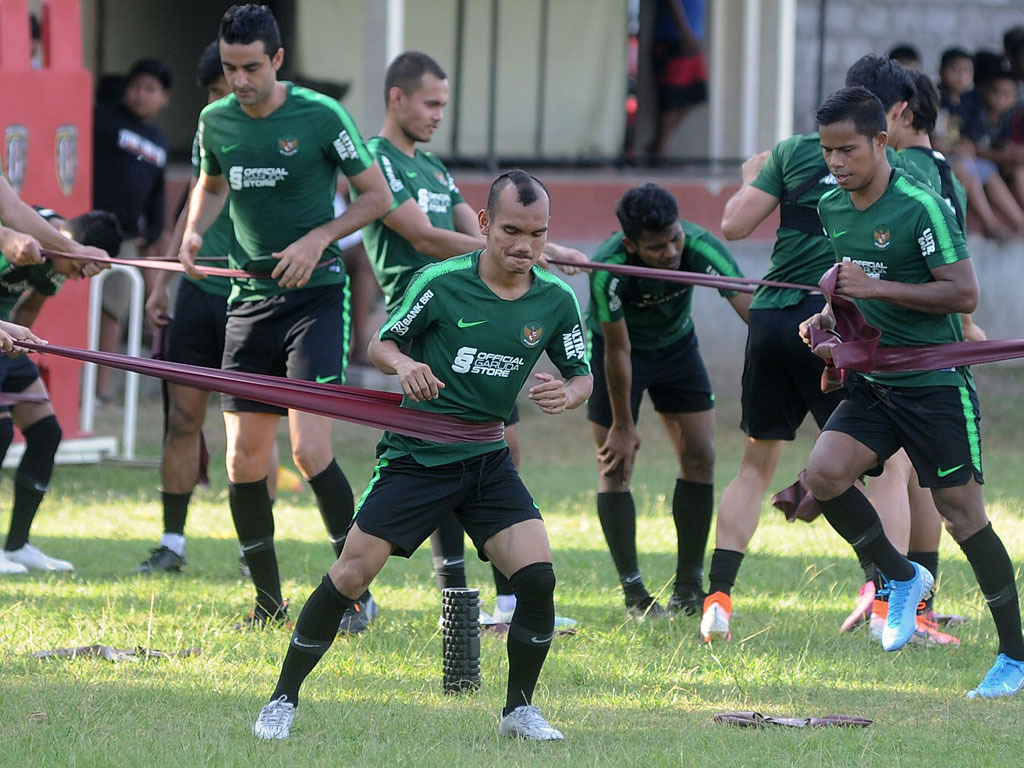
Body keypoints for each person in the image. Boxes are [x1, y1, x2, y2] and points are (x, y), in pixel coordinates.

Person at [252, 170, 592, 741]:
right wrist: (406, 366)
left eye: (537, 235)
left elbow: (582, 376)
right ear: (484, 224)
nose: (524, 247)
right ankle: (280, 701)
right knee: (352, 575)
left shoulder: (555, 300)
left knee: (537, 577)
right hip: (417, 457)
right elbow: (379, 343)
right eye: (511, 230)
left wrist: (569, 392)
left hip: (486, 460)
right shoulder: (441, 282)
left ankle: (519, 711)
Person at [802, 85, 1024, 698]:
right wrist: (829, 316)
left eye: (847, 149)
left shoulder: (919, 204)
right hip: (876, 382)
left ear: (880, 141)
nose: (836, 163)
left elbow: (962, 294)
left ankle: (1014, 656)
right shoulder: (832, 205)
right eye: (826, 152)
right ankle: (901, 578)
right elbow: (850, 285)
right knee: (823, 476)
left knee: (963, 516)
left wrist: (878, 293)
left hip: (934, 386)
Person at [359, 51, 587, 631]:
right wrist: (517, 253)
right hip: (435, 320)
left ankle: (504, 599)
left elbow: (475, 224)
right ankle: (459, 598)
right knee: (450, 454)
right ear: (397, 98)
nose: (439, 115)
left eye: (444, 104)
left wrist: (545, 253)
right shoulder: (376, 157)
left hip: (495, 313)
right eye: (430, 103)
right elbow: (430, 239)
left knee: (494, 455)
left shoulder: (434, 167)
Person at [179, 4, 392, 627]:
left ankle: (355, 593)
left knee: (308, 451)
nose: (239, 81)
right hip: (248, 301)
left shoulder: (322, 117)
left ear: (277, 60)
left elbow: (376, 197)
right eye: (228, 67)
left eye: (251, 68)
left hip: (316, 299)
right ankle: (268, 603)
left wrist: (319, 238)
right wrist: (194, 233)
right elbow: (211, 184)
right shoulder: (215, 120)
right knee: (243, 461)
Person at [135, 41, 281, 574]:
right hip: (199, 293)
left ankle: (254, 552)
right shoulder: (212, 127)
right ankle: (171, 544)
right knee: (182, 420)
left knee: (254, 432)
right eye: (220, 88)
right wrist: (162, 284)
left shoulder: (278, 133)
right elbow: (195, 201)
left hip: (255, 295)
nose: (232, 95)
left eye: (241, 80)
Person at [843, 57, 970, 646]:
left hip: (917, 356)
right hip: (889, 354)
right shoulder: (920, 168)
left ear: (895, 114)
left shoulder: (918, 178)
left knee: (911, 478)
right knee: (896, 475)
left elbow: (950, 274)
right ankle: (903, 603)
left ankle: (901, 604)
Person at [703, 129, 845, 642]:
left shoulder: (790, 151)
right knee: (885, 463)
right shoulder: (886, 159)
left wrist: (750, 180)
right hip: (827, 322)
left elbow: (734, 223)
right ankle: (884, 605)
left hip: (769, 318)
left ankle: (717, 598)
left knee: (753, 466)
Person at [587, 183, 748, 620]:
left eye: (675, 238)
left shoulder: (699, 247)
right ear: (630, 244)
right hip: (616, 352)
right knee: (615, 466)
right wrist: (623, 425)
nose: (671, 252)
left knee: (701, 456)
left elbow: (750, 305)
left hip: (677, 347)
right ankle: (635, 595)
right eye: (656, 247)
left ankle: (688, 587)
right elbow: (618, 352)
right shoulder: (609, 269)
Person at [0, 211, 118, 574]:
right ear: (68, 241)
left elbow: (25, 322)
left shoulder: (54, 265)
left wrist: (47, 280)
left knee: (46, 432)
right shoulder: (20, 243)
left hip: (5, 337)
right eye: (82, 266)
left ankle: (17, 546)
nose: (82, 275)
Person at [92, 57, 173, 401]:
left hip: (123, 238)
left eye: (150, 89)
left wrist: (154, 230)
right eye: (136, 86)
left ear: (164, 98)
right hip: (86, 227)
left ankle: (100, 391)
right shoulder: (104, 119)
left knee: (113, 311)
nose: (141, 95)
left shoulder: (160, 142)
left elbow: (157, 191)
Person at [934, 48, 1024, 240]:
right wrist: (961, 147)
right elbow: (941, 141)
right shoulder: (938, 99)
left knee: (987, 170)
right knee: (969, 167)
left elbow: (972, 139)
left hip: (965, 158)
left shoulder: (970, 100)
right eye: (955, 70)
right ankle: (984, 223)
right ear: (941, 71)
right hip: (942, 160)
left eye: (966, 71)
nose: (960, 76)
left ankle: (1018, 222)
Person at [645, 0, 707, 162]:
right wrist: (685, 33)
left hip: (690, 38)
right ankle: (659, 150)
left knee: (696, 93)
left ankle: (657, 144)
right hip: (673, 38)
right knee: (671, 98)